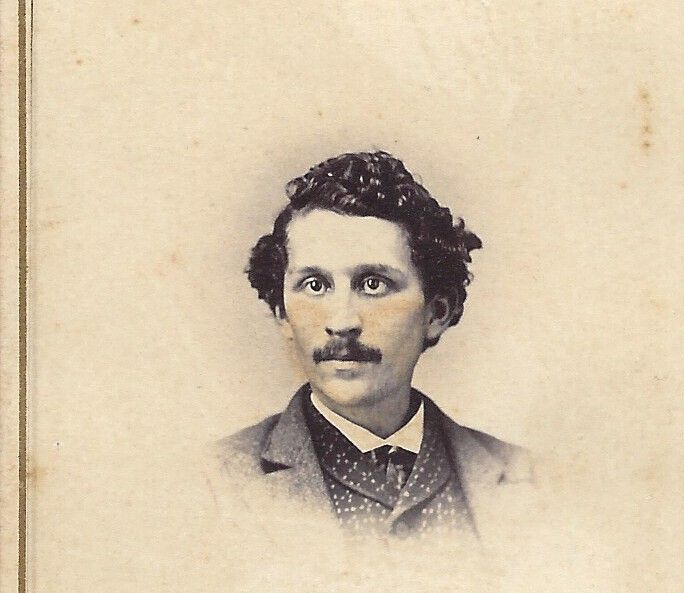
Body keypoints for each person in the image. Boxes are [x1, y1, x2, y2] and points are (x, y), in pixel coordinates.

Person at [214, 150, 531, 539]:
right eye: (315, 285)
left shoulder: (529, 478)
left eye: (373, 284)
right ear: (282, 312)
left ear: (436, 313)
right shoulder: (212, 481)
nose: (342, 322)